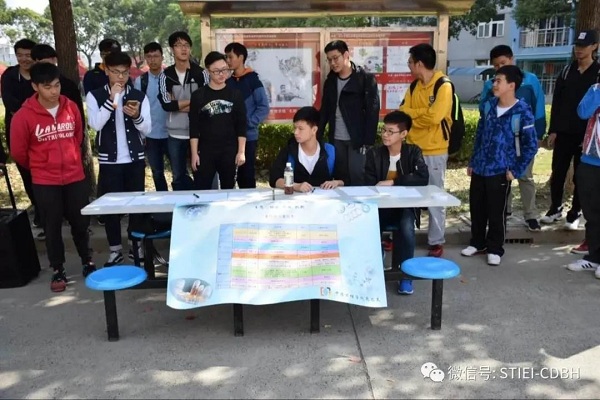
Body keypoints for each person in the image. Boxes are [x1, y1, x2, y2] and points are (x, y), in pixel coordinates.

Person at [9, 62, 96, 292]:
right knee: (52, 226)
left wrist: (71, 160)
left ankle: (87, 260)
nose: (54, 91)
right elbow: (19, 152)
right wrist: (41, 166)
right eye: (47, 87)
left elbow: (78, 136)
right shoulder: (23, 116)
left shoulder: (71, 108)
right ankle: (58, 269)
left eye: (56, 85)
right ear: (35, 86)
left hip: (75, 176)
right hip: (45, 181)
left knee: (80, 223)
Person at [462, 65, 537, 266]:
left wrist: (516, 170)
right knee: (477, 208)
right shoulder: (488, 106)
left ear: (511, 85)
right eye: (494, 80)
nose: (494, 84)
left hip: (501, 170)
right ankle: (477, 243)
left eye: (498, 81)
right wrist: (473, 161)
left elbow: (531, 145)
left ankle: (495, 248)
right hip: (480, 167)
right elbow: (480, 135)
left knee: (496, 211)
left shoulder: (522, 111)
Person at [86, 51, 151, 266]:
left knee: (136, 206)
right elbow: (95, 124)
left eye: (124, 72)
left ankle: (136, 245)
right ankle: (115, 250)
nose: (120, 77)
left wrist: (136, 116)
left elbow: (147, 129)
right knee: (111, 208)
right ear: (106, 70)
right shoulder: (95, 95)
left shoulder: (138, 95)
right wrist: (111, 101)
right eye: (116, 72)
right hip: (110, 160)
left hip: (134, 159)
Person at [542, 30, 600, 254]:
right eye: (577, 45)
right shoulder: (567, 71)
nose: (579, 49)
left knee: (581, 177)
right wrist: (553, 130)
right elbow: (557, 102)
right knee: (558, 171)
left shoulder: (597, 73)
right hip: (564, 132)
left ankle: (575, 213)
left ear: (594, 46)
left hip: (588, 137)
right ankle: (555, 208)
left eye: (584, 46)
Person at [479, 45, 546, 232]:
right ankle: (505, 211)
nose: (500, 68)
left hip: (523, 139)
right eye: (496, 65)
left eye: (503, 63)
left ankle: (530, 215)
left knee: (525, 176)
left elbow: (538, 107)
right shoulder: (491, 84)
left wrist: (538, 134)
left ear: (512, 59)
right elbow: (483, 110)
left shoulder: (530, 80)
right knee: (502, 177)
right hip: (501, 142)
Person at [364, 111, 429, 295]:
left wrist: (394, 182)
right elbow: (369, 182)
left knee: (407, 228)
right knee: (368, 225)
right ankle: (374, 266)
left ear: (403, 134)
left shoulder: (413, 152)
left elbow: (423, 177)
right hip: (379, 206)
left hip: (404, 207)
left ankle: (405, 274)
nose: (385, 135)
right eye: (384, 130)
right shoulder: (374, 153)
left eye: (390, 131)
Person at [399, 43, 452, 258]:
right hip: (413, 149)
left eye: (410, 62)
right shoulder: (414, 86)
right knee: (408, 195)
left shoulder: (443, 86)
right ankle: (404, 236)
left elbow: (435, 117)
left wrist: (415, 114)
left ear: (419, 64)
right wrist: (422, 113)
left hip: (435, 150)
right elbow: (403, 111)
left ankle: (436, 241)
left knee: (435, 197)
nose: (409, 66)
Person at [317, 40, 379, 187]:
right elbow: (325, 110)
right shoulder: (330, 81)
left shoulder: (365, 79)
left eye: (335, 58)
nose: (332, 63)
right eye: (329, 60)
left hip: (357, 140)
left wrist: (368, 141)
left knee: (358, 177)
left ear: (346, 55)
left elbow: (372, 111)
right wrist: (317, 135)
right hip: (336, 138)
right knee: (340, 178)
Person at [0, 38, 43, 238]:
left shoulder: (40, 75)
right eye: (20, 55)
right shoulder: (9, 76)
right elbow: (10, 103)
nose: (24, 59)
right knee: (26, 172)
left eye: (28, 55)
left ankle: (51, 211)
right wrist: (29, 116)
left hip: (42, 132)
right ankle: (39, 211)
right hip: (18, 131)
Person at [158, 31, 209, 191]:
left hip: (199, 134)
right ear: (172, 49)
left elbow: (206, 103)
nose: (183, 48)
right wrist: (193, 102)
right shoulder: (166, 76)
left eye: (186, 45)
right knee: (178, 177)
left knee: (201, 174)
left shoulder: (201, 73)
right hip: (175, 135)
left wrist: (178, 104)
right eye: (179, 45)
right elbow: (167, 104)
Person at [189, 51, 246, 190]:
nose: (221, 74)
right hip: (205, 151)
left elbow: (241, 125)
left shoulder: (235, 95)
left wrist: (241, 151)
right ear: (208, 71)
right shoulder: (198, 95)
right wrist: (194, 153)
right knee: (201, 188)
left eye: (224, 69)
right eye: (216, 71)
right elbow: (194, 127)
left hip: (229, 151)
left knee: (228, 189)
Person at [225, 42, 270, 189]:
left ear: (241, 57)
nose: (228, 60)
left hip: (249, 137)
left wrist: (248, 123)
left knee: (246, 175)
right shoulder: (227, 82)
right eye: (226, 57)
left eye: (230, 57)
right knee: (228, 176)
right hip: (230, 137)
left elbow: (263, 107)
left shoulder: (253, 80)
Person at [270, 106, 347, 191]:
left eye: (300, 129)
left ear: (314, 130)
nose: (296, 132)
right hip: (295, 198)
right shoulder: (289, 151)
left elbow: (345, 179)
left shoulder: (330, 151)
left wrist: (335, 182)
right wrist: (295, 186)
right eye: (295, 128)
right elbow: (274, 179)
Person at [567, 83, 600, 275]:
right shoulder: (595, 89)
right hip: (590, 160)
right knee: (592, 213)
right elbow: (583, 112)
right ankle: (594, 257)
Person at [134, 42, 170, 192]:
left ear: (162, 57)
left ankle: (181, 200)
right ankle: (163, 201)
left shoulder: (171, 78)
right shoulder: (140, 81)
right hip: (151, 135)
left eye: (156, 56)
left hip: (171, 133)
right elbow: (137, 108)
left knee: (179, 172)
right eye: (149, 56)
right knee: (157, 173)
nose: (153, 59)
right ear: (145, 58)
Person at [31, 44, 85, 129]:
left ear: (54, 59)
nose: (53, 91)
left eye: (56, 85)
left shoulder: (69, 85)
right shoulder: (32, 86)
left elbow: (79, 116)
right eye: (37, 63)